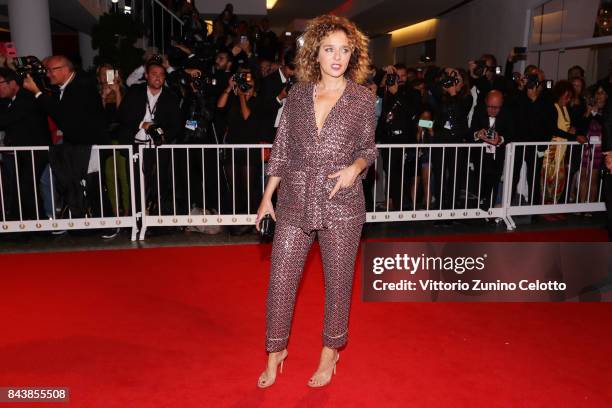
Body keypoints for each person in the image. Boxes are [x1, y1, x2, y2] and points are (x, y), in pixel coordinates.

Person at [253, 14, 377, 388]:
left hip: (342, 202)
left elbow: (369, 149)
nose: (337, 57)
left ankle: (330, 352)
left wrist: (356, 167)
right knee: (281, 279)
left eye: (344, 50)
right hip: (293, 198)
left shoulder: (362, 99)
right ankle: (276, 352)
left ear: (352, 55)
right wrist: (266, 197)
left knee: (338, 284)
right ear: (316, 55)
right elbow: (282, 148)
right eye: (329, 49)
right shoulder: (297, 95)